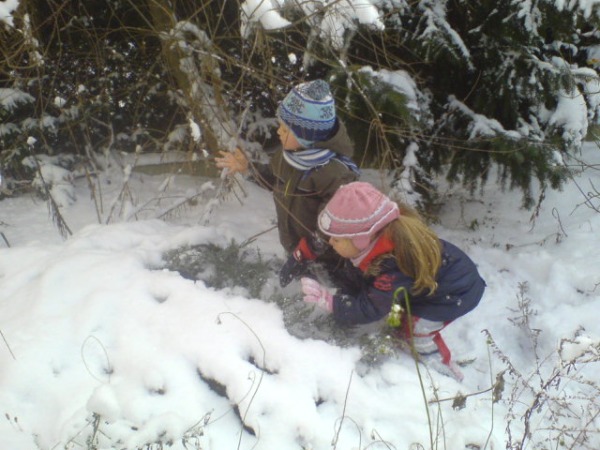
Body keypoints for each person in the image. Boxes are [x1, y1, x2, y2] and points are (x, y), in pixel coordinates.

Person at [300, 181, 486, 380]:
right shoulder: (376, 245)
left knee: (415, 330)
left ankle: (441, 367)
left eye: (337, 239)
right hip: (428, 284)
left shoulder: (393, 266)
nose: (330, 242)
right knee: (396, 311)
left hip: (454, 293)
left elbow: (371, 307)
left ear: (361, 239)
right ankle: (396, 326)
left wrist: (332, 303)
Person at [215, 79, 359, 287]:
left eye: (285, 129)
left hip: (329, 259)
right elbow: (274, 180)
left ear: (307, 135)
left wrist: (304, 253)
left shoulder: (334, 174)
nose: (278, 132)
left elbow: (331, 227)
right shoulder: (289, 156)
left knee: (322, 298)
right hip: (297, 248)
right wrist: (248, 168)